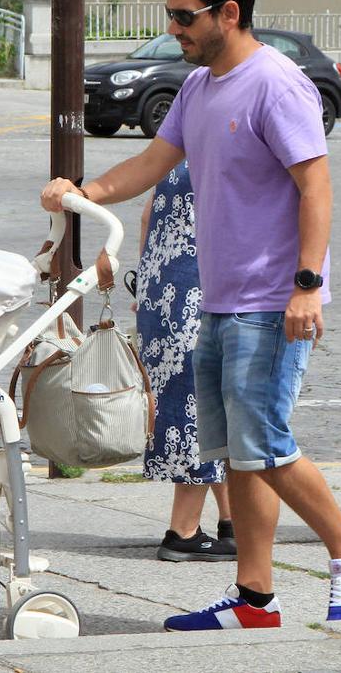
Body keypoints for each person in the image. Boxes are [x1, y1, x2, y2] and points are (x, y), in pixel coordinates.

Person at [42, 0, 341, 631]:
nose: (174, 28)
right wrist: (83, 193)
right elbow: (151, 162)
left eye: (183, 16)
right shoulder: (198, 89)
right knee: (233, 451)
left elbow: (315, 187)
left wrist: (307, 287)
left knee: (265, 441)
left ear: (228, 13)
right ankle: (256, 600)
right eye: (170, 15)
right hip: (219, 297)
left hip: (273, 300)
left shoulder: (277, 84)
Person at [133, 169, 236, 562]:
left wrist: (146, 282)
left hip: (160, 288)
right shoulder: (221, 152)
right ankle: (183, 531)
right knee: (199, 408)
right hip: (198, 291)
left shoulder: (178, 152)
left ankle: (232, 521)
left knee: (210, 406)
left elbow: (147, 216)